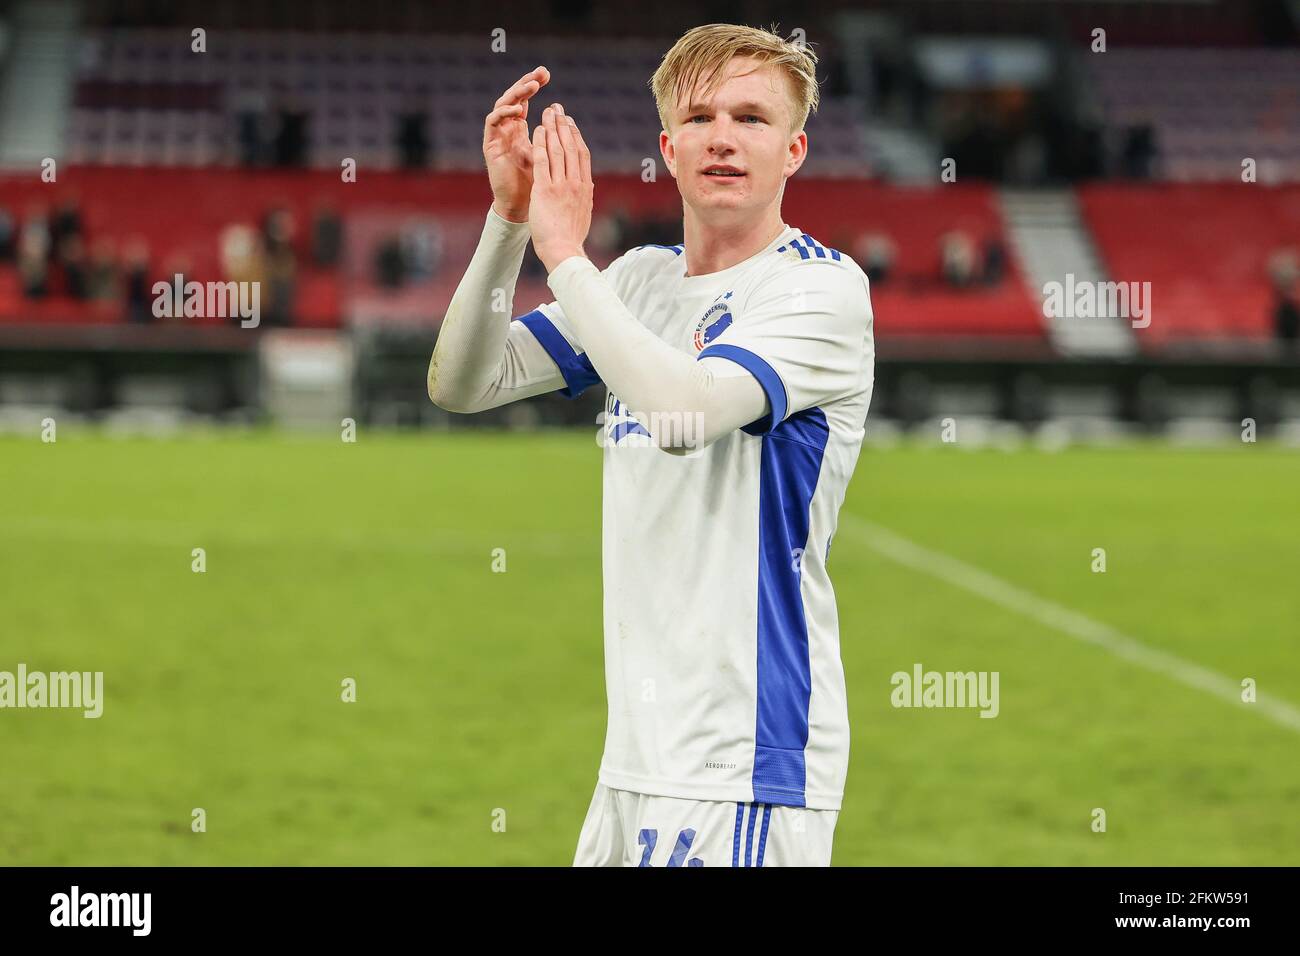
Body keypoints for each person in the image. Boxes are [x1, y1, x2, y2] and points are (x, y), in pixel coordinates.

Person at [427, 24, 874, 867]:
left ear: (795, 149)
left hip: (742, 764)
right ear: (669, 149)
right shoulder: (635, 281)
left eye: (752, 117)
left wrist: (564, 255)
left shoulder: (821, 289)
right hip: (633, 759)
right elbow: (463, 382)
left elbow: (682, 414)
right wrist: (510, 222)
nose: (725, 138)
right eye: (701, 117)